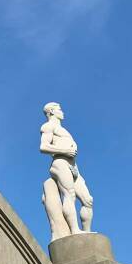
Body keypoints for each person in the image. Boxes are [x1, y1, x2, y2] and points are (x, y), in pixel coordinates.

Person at [40, 102, 93, 240]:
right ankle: (75, 230)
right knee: (70, 195)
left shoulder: (61, 128)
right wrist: (65, 150)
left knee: (88, 200)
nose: (62, 112)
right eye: (59, 109)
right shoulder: (48, 126)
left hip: (73, 166)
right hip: (60, 163)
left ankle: (86, 232)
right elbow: (44, 146)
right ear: (51, 111)